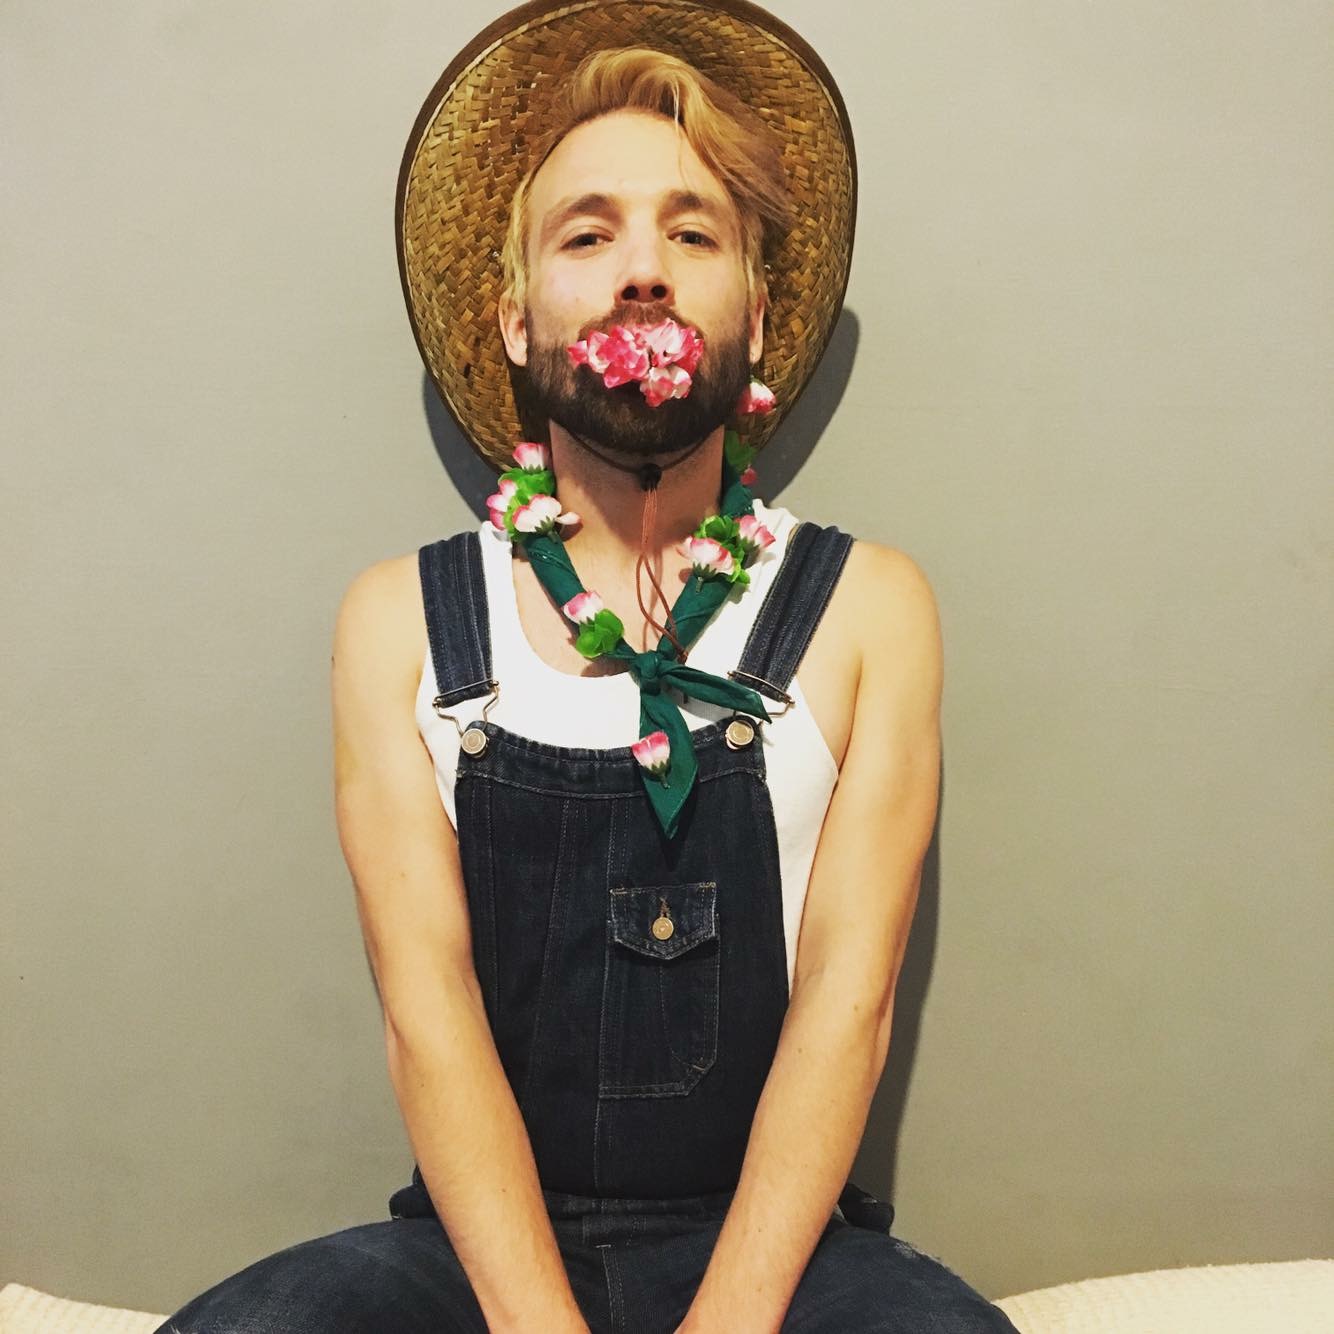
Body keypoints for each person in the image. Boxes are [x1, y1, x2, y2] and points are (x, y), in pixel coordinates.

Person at [154, 2, 1018, 1329]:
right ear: (512, 319)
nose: (643, 269)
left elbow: (849, 1007)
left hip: (769, 1252)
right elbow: (426, 1015)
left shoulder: (867, 610)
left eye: (691, 231)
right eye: (587, 231)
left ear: (756, 308)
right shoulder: (396, 623)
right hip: (481, 1248)